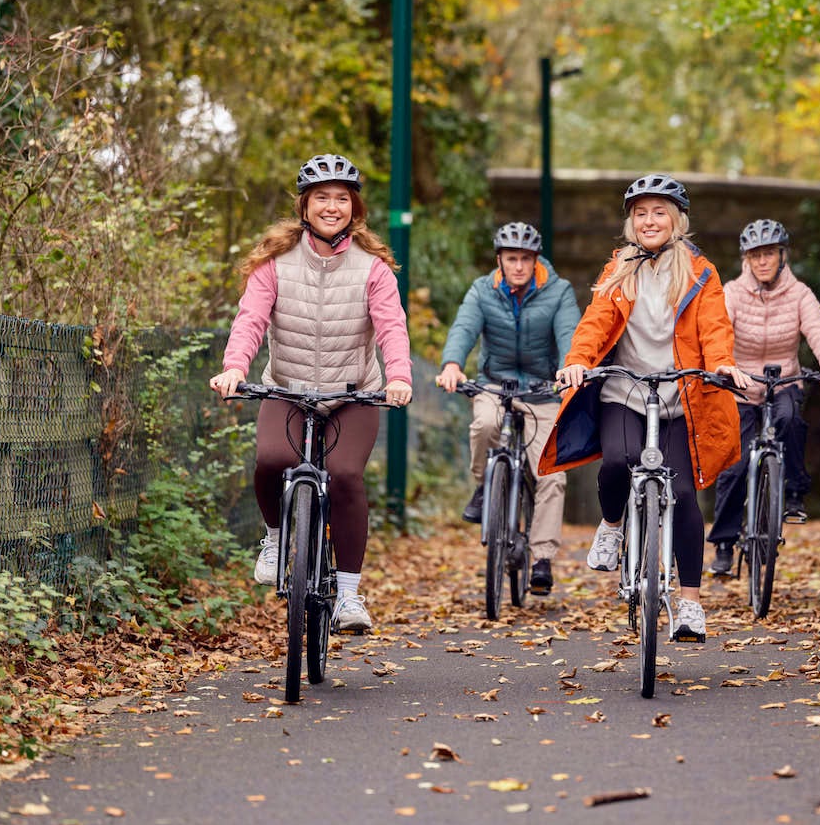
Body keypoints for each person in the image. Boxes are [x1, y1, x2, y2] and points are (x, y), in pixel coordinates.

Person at [208, 154, 413, 635]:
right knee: (271, 459)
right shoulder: (274, 264)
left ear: (354, 208)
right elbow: (251, 320)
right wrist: (234, 368)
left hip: (351, 394)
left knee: (344, 477)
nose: (332, 206)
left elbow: (391, 328)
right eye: (322, 197)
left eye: (342, 199)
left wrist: (398, 376)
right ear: (305, 206)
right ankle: (276, 539)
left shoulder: (373, 269)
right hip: (287, 388)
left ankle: (347, 596)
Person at [541, 174, 748, 642]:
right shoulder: (618, 270)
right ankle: (613, 526)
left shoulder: (701, 272)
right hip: (625, 391)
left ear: (677, 220)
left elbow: (715, 328)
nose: (649, 220)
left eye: (659, 212)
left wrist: (721, 365)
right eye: (640, 213)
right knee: (617, 461)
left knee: (682, 497)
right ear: (630, 222)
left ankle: (690, 604)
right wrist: (576, 362)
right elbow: (595, 324)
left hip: (680, 397)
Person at [435, 222, 581, 595]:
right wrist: (452, 363)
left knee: (552, 473)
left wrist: (569, 368)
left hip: (542, 391)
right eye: (512, 259)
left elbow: (569, 334)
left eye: (525, 259)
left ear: (536, 261)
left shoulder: (558, 291)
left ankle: (542, 557)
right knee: (484, 424)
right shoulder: (483, 291)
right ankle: (486, 486)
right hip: (494, 385)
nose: (518, 266)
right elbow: (464, 328)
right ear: (499, 260)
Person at [707, 218, 820, 576]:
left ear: (782, 256)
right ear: (746, 260)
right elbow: (719, 333)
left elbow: (818, 331)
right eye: (756, 255)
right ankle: (723, 542)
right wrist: (720, 368)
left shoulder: (799, 294)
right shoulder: (733, 293)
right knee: (734, 464)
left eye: (769, 254)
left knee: (790, 421)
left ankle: (794, 494)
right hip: (741, 385)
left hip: (782, 381)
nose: (763, 261)